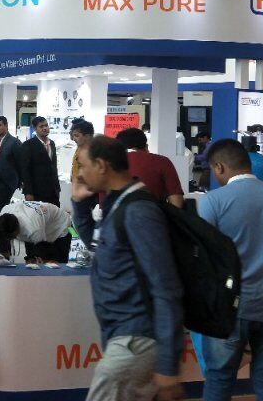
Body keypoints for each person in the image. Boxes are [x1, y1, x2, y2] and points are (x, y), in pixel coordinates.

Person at [72, 136, 184, 401]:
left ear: (101, 165)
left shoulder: (138, 210)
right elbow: (99, 247)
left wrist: (168, 365)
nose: (80, 174)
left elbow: (166, 286)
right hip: (122, 336)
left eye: (83, 165)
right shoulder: (117, 203)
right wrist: (79, 205)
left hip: (136, 340)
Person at [197, 139, 263, 401]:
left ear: (219, 167)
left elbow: (204, 259)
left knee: (219, 379)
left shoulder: (212, 201)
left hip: (230, 310)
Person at [115, 128, 184, 208]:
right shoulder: (162, 161)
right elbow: (176, 200)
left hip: (117, 213)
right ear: (146, 146)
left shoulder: (112, 163)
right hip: (154, 213)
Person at [0, 200, 72, 262]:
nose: (8, 239)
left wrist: (33, 261)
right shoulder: (5, 211)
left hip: (62, 227)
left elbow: (43, 252)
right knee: (31, 260)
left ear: (16, 231)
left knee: (57, 264)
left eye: (10, 237)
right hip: (43, 223)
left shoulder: (34, 229)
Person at [20, 117, 60, 205]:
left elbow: (53, 166)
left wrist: (57, 188)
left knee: (54, 212)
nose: (44, 128)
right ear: (35, 129)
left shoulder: (52, 143)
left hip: (53, 190)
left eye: (46, 125)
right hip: (37, 191)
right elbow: (25, 170)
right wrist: (28, 192)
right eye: (41, 126)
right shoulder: (28, 145)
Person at [0, 115, 23, 217]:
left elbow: (21, 162)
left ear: (6, 126)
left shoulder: (14, 142)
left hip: (7, 181)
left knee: (2, 208)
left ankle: (1, 225)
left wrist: (19, 181)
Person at [69, 119, 95, 184]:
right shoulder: (80, 147)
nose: (74, 138)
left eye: (76, 135)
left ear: (87, 136)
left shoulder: (93, 152)